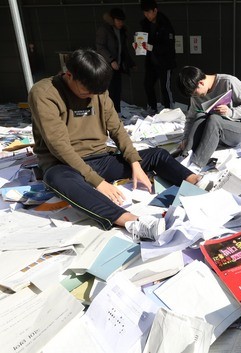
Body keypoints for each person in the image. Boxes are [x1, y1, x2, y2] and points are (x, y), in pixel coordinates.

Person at [28, 49, 200, 241]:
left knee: (157, 154)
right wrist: (98, 182)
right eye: (87, 92)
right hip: (64, 165)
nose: (90, 97)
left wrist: (135, 162)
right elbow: (58, 146)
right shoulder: (44, 93)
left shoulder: (98, 92)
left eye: (96, 93)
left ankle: (197, 184)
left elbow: (117, 129)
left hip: (100, 157)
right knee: (57, 179)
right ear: (69, 75)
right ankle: (132, 221)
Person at [177, 66, 241, 168]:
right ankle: (185, 156)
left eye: (196, 94)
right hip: (214, 131)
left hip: (240, 128)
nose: (196, 97)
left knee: (214, 119)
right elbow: (191, 118)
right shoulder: (195, 94)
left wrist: (230, 112)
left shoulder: (228, 81)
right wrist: (185, 138)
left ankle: (195, 166)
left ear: (200, 83)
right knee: (199, 116)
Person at [139, 0, 176, 113]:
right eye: (144, 13)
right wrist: (138, 44)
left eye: (148, 12)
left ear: (155, 10)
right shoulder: (145, 23)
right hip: (151, 61)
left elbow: (168, 46)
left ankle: (169, 110)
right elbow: (143, 39)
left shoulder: (165, 24)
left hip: (165, 61)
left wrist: (152, 47)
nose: (147, 15)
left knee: (165, 87)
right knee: (148, 84)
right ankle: (152, 108)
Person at [95, 7, 135, 116]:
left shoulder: (122, 31)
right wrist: (111, 60)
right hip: (107, 66)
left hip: (118, 66)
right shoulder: (104, 29)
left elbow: (123, 49)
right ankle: (108, 114)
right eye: (118, 20)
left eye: (122, 21)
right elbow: (100, 47)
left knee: (117, 90)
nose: (120, 23)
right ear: (112, 20)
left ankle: (117, 113)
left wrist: (131, 63)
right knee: (109, 91)